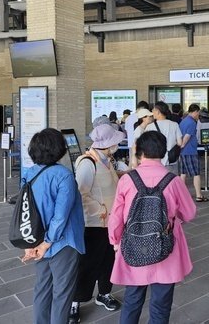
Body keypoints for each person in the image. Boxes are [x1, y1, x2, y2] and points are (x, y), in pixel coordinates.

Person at [108, 131, 197, 324]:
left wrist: (115, 241)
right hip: (166, 247)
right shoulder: (173, 181)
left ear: (139, 153)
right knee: (161, 304)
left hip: (133, 245)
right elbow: (189, 213)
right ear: (164, 152)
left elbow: (115, 217)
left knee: (132, 300)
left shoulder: (127, 179)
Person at [19, 128, 85, 324]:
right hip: (62, 243)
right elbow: (60, 216)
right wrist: (47, 243)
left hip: (37, 240)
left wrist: (33, 244)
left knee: (42, 289)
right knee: (62, 293)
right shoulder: (63, 175)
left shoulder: (29, 174)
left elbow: (26, 210)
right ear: (58, 149)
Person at [68, 124, 126, 324]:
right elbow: (81, 194)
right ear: (108, 144)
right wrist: (101, 210)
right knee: (88, 264)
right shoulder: (87, 162)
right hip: (93, 224)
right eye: (115, 142)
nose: (117, 145)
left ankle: (104, 293)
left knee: (107, 260)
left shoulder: (107, 160)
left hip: (111, 222)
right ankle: (76, 301)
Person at [179, 104, 208, 202]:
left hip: (183, 152)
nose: (198, 115)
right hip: (190, 151)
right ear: (195, 111)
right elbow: (187, 137)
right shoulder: (192, 123)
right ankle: (199, 195)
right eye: (198, 113)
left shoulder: (183, 121)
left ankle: (182, 195)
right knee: (196, 174)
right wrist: (182, 145)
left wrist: (180, 148)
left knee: (183, 173)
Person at [145, 101, 182, 174]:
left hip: (155, 161)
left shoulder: (150, 127)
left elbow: (146, 144)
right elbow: (180, 142)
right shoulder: (174, 124)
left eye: (153, 110)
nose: (152, 112)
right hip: (171, 160)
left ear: (158, 112)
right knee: (171, 182)